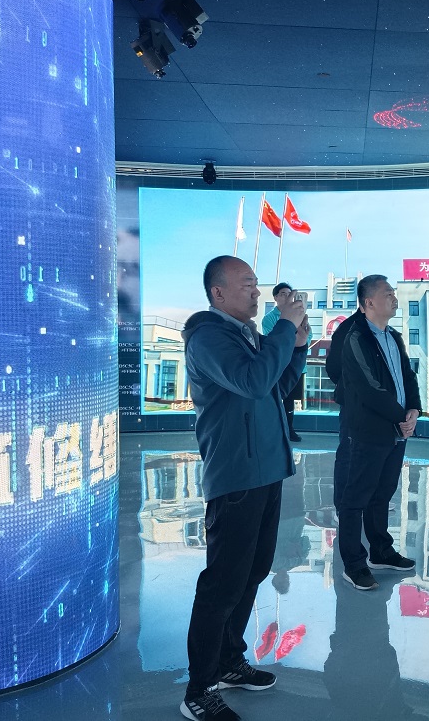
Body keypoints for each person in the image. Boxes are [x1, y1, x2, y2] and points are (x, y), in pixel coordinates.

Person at [179, 255, 309, 721]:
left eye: (256, 284)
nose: (257, 292)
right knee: (222, 585)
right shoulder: (208, 337)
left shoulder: (247, 335)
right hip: (236, 477)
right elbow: (253, 381)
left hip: (266, 472)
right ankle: (198, 689)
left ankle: (229, 661)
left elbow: (276, 386)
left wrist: (297, 345)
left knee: (252, 573)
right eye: (247, 284)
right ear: (218, 293)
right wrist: (283, 328)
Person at [336, 275, 422, 591]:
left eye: (394, 293)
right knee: (355, 499)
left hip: (396, 431)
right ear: (369, 302)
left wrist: (414, 410)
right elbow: (369, 389)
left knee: (382, 494)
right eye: (388, 293)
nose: (394, 298)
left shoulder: (393, 337)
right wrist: (401, 418)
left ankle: (381, 552)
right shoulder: (355, 338)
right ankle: (354, 565)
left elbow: (408, 376)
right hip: (369, 431)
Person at [261, 282, 308, 442]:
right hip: (278, 363)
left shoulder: (299, 315)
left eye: (289, 294)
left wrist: (296, 338)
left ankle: (289, 429)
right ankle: (275, 429)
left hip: (295, 363)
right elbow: (271, 337)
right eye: (283, 294)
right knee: (274, 396)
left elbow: (307, 336)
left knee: (290, 399)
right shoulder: (269, 318)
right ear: (275, 297)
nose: (287, 297)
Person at [325, 310, 360, 509]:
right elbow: (332, 367)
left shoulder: (384, 330)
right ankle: (343, 503)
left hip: (379, 405)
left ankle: (370, 498)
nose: (393, 300)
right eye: (387, 295)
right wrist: (350, 386)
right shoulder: (348, 328)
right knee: (348, 452)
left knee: (373, 453)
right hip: (353, 402)